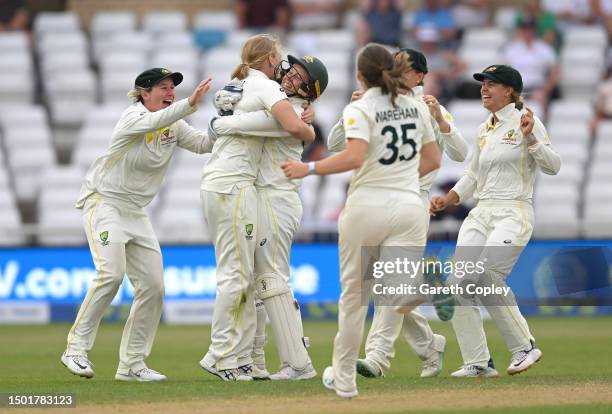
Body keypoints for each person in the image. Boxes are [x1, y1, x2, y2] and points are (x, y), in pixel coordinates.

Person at [282, 43, 441, 398]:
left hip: (367, 206)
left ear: (359, 75)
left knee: (354, 300)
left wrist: (307, 167)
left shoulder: (360, 107)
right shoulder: (416, 106)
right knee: (393, 287)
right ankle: (414, 289)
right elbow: (433, 161)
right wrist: (399, 177)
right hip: (409, 205)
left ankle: (345, 381)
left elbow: (353, 157)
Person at [61, 68, 213, 382]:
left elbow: (202, 144)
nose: (170, 91)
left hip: (136, 211)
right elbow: (153, 122)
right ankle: (75, 349)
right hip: (104, 202)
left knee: (154, 287)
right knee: (111, 274)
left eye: (172, 87)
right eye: (163, 86)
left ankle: (131, 364)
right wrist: (190, 103)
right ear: (143, 93)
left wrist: (227, 119)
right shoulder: (132, 117)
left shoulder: (172, 123)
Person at [431, 64, 561, 378]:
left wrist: (531, 139)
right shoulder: (483, 129)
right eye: (483, 84)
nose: (484, 89)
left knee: (488, 274)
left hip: (513, 211)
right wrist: (449, 199)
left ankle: (524, 347)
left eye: (492, 84)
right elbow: (472, 175)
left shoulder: (526, 121)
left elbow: (553, 165)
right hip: (481, 213)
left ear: (509, 91)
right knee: (458, 284)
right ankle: (477, 363)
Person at [199, 34, 315, 382]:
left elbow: (291, 126)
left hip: (275, 199)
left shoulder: (279, 100)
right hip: (246, 191)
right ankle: (252, 357)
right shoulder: (262, 91)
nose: (291, 78)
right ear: (271, 61)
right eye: (290, 71)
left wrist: (222, 123)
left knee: (269, 280)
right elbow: (266, 121)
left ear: (312, 91)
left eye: (301, 80)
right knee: (254, 280)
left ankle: (294, 361)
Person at [348, 48, 468, 380]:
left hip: (410, 200)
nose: (397, 71)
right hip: (376, 199)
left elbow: (460, 152)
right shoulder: (376, 104)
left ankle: (377, 357)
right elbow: (335, 145)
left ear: (419, 76)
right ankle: (430, 343)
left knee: (389, 284)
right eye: (393, 66)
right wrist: (353, 106)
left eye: (404, 67)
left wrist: (441, 121)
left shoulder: (429, 107)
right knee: (384, 287)